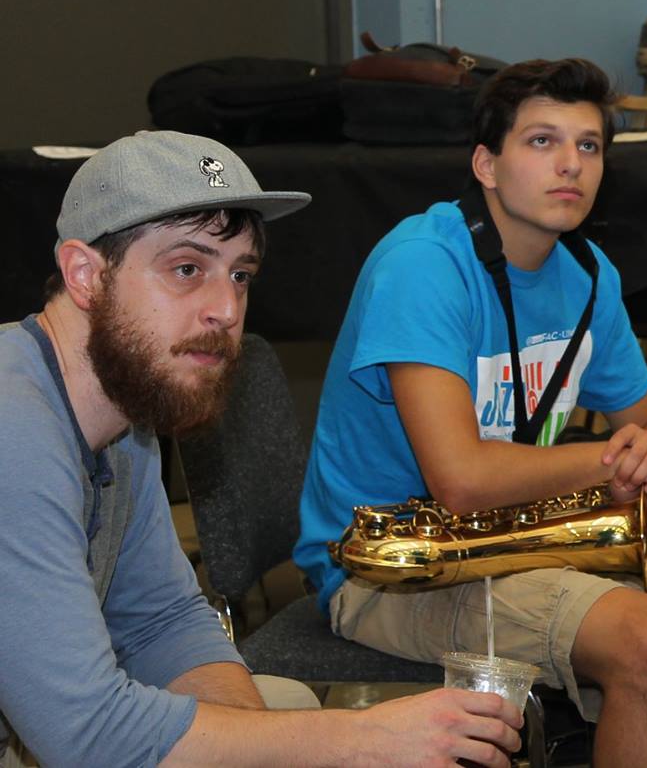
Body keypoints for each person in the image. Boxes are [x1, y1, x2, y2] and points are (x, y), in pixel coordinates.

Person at [295, 59, 647, 768]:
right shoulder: (423, 266)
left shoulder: (587, 274)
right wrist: (615, 461)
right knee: (644, 637)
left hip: (521, 528)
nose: (571, 165)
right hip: (388, 565)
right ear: (486, 163)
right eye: (542, 141)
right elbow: (459, 479)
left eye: (589, 146)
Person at [0, 130, 524, 768]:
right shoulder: (15, 426)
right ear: (86, 275)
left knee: (279, 709)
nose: (226, 308)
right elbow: (87, 736)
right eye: (187, 268)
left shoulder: (122, 411)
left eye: (240, 274)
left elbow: (160, 619)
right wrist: (363, 741)